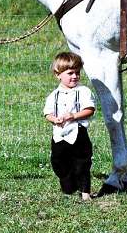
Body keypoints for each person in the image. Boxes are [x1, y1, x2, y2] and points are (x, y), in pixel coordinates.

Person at [43, 52, 96, 201]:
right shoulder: (54, 95)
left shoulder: (83, 91)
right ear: (58, 74)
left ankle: (85, 191)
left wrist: (73, 116)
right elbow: (47, 113)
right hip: (59, 135)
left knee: (82, 163)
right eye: (70, 73)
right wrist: (54, 119)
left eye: (77, 73)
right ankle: (69, 185)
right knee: (58, 162)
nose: (75, 76)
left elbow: (90, 110)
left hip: (78, 133)